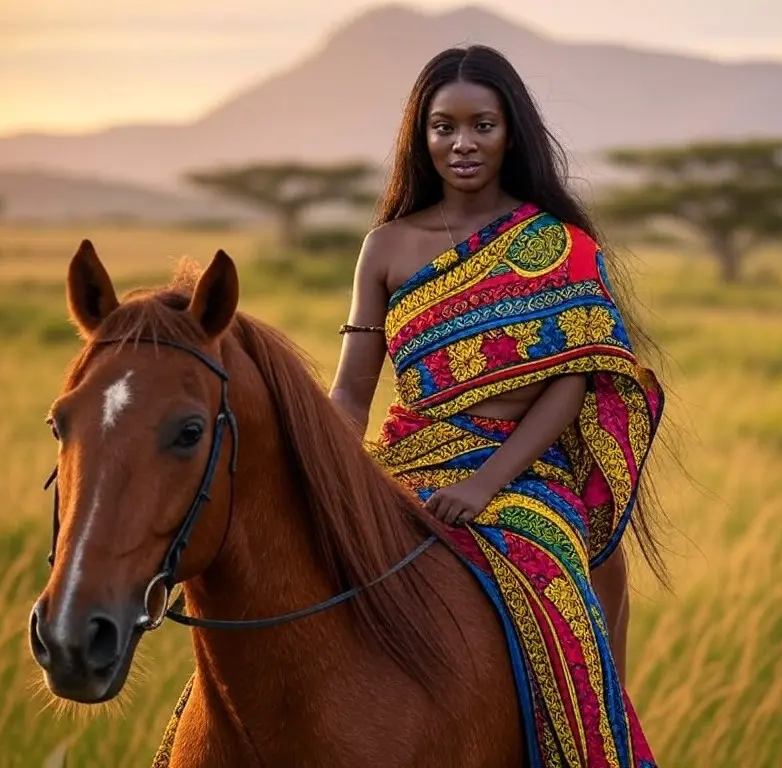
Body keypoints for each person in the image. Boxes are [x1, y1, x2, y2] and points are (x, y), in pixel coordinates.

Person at [329, 44, 667, 767]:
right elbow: (355, 389)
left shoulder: (557, 245)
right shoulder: (386, 245)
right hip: (407, 460)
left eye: (481, 125)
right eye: (443, 127)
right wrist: (324, 476)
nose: (462, 144)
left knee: (556, 589)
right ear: (420, 137)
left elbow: (570, 384)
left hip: (525, 477)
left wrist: (486, 485)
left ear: (511, 131)